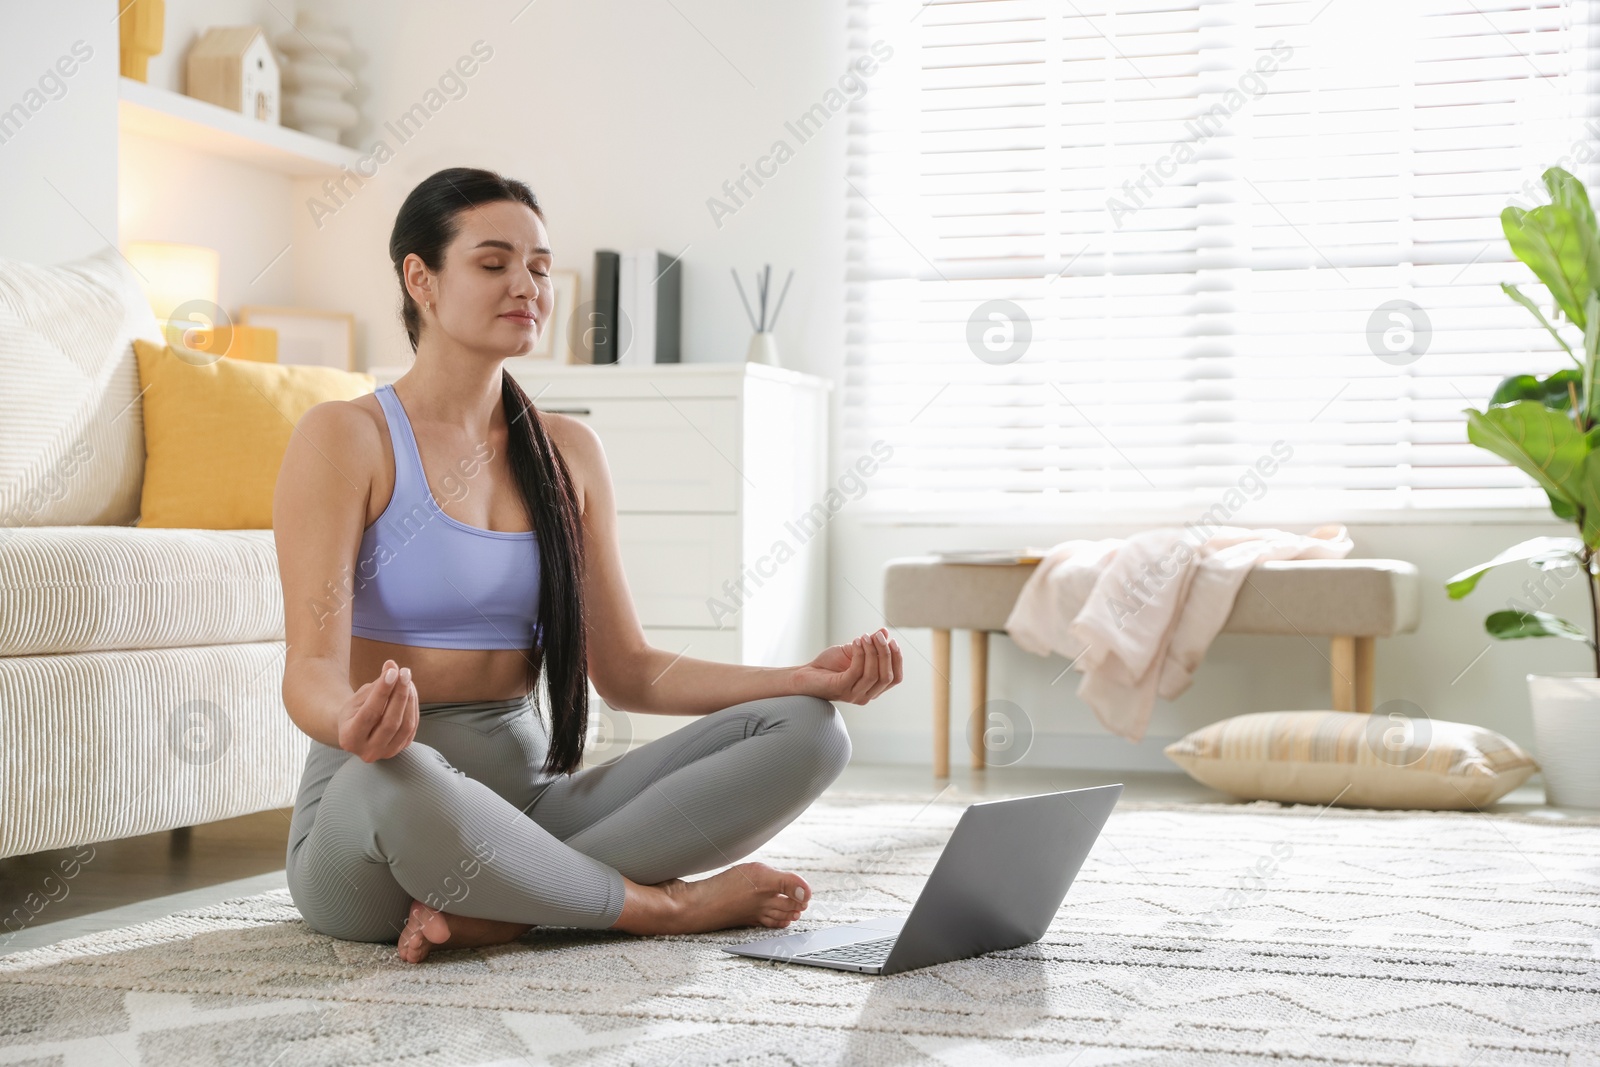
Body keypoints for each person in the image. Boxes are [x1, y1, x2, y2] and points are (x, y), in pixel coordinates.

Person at [271, 166, 902, 964]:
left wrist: (801, 677)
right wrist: (348, 721)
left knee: (813, 733)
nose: (527, 285)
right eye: (494, 263)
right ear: (420, 279)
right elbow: (308, 670)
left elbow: (629, 670)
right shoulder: (344, 437)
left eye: (539, 267)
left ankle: (509, 904)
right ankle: (659, 908)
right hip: (378, 819)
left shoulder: (570, 452)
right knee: (401, 775)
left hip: (536, 805)